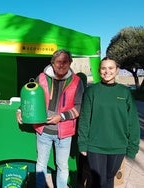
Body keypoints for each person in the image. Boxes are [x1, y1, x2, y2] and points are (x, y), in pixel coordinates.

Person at [17, 49, 84, 188]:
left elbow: (79, 107)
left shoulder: (77, 81)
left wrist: (61, 117)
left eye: (65, 62)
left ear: (70, 63)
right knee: (41, 163)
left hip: (64, 133)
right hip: (43, 130)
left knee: (62, 166)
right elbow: (30, 96)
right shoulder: (41, 77)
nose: (61, 65)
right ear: (52, 63)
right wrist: (19, 110)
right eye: (58, 62)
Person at [78, 57, 140, 188]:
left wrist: (133, 147)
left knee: (109, 179)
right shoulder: (91, 91)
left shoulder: (125, 93)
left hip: (118, 146)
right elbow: (84, 119)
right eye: (103, 68)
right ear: (99, 71)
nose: (107, 71)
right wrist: (82, 143)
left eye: (111, 68)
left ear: (117, 70)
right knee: (97, 181)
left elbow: (133, 122)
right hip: (95, 146)